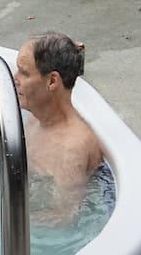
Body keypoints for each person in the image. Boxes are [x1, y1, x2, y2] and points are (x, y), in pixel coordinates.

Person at [14, 32, 108, 223]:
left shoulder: (72, 148)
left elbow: (64, 218)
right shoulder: (34, 122)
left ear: (52, 81)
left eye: (23, 73)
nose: (14, 78)